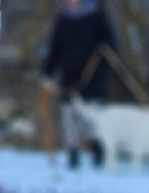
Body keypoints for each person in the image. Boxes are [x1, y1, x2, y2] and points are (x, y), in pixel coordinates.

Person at [41, 0, 117, 168]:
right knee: (69, 117)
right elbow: (54, 47)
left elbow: (111, 43)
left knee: (92, 117)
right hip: (68, 76)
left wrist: (103, 48)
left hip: (93, 75)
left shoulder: (97, 15)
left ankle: (98, 152)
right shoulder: (63, 18)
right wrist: (47, 73)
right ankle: (73, 153)